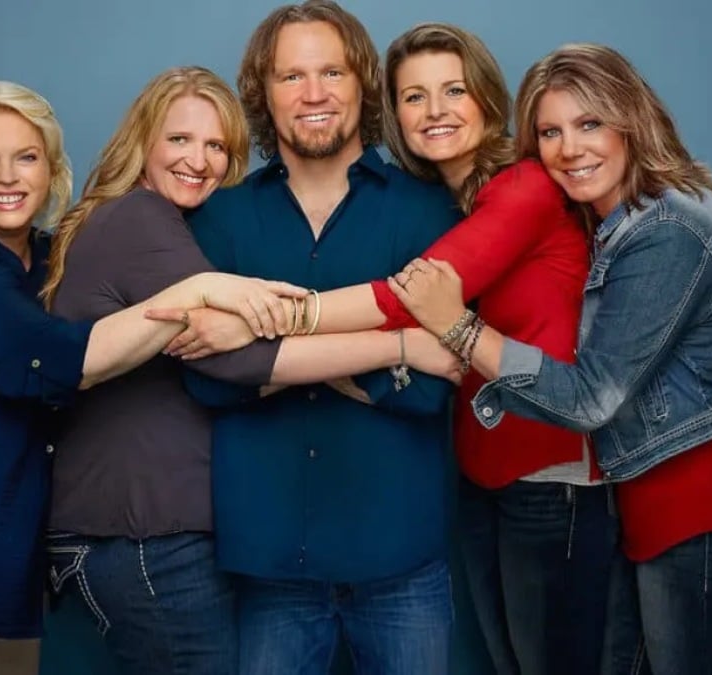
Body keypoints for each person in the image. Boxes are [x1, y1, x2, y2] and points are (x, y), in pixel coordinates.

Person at [0, 80, 304, 675]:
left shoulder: (46, 259)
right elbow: (62, 361)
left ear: (52, 169)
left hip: (6, 549)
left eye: (27, 157)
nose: (8, 176)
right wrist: (197, 291)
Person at [390, 43, 712, 675]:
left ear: (631, 120)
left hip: (710, 508)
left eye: (590, 124)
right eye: (550, 132)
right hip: (652, 506)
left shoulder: (670, 228)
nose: (569, 148)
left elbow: (592, 398)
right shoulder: (610, 225)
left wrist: (460, 329)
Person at [37, 66, 458, 675]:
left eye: (216, 146)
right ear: (143, 141)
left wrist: (258, 337)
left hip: (179, 537)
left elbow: (427, 399)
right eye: (179, 140)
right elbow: (226, 366)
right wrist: (402, 347)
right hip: (149, 539)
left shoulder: (189, 225)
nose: (198, 160)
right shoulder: (146, 220)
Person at [173, 3, 461, 673]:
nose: (313, 93)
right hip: (270, 568)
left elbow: (432, 389)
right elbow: (204, 378)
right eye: (290, 76)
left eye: (331, 71)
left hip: (402, 563)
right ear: (262, 93)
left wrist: (260, 351)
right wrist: (388, 342)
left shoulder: (427, 210)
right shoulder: (221, 216)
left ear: (362, 83)